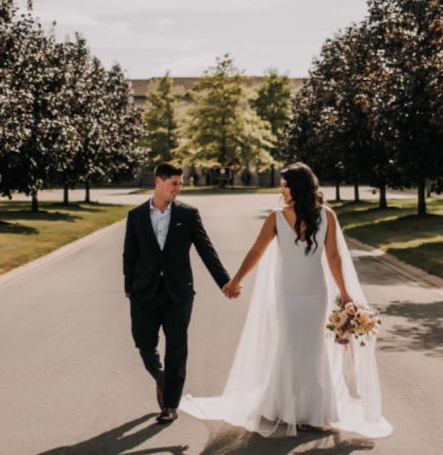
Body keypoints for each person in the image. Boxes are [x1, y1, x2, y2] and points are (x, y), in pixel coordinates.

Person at [180, 163, 392, 438]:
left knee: (313, 346)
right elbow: (257, 250)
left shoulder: (327, 215)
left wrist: (345, 293)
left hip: (317, 290)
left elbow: (333, 256)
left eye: (285, 184)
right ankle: (286, 406)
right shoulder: (276, 217)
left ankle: (313, 411)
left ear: (298, 187)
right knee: (291, 344)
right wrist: (235, 280)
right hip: (288, 291)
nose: (281, 189)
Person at [123, 162, 234, 425]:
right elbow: (130, 255)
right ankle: (163, 379)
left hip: (178, 292)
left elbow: (207, 251)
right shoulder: (136, 215)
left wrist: (225, 282)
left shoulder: (188, 214)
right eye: (174, 183)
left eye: (180, 183)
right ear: (159, 182)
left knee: (176, 349)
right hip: (144, 292)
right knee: (144, 344)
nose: (178, 188)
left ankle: (171, 405)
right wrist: (129, 288)